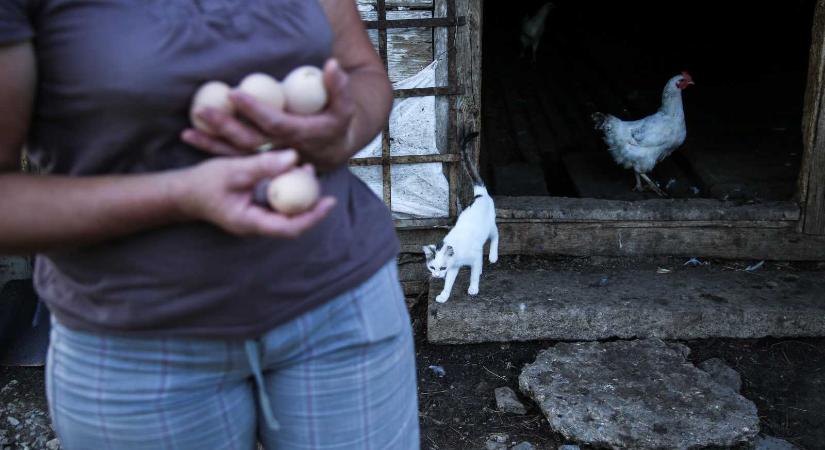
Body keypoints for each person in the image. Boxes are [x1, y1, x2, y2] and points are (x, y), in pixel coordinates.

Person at [0, 0, 419, 448]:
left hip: (341, 307)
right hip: (135, 343)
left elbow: (363, 72)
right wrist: (177, 196)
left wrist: (343, 130)